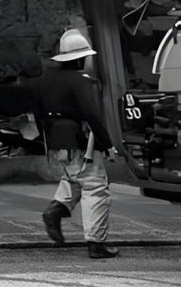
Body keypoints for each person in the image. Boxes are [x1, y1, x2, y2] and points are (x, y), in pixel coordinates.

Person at [37, 28, 119, 260]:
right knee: (95, 187)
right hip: (80, 140)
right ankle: (96, 243)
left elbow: (39, 111)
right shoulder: (83, 81)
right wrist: (108, 143)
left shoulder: (46, 80)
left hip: (56, 141)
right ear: (81, 58)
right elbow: (92, 115)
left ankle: (54, 211)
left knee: (74, 178)